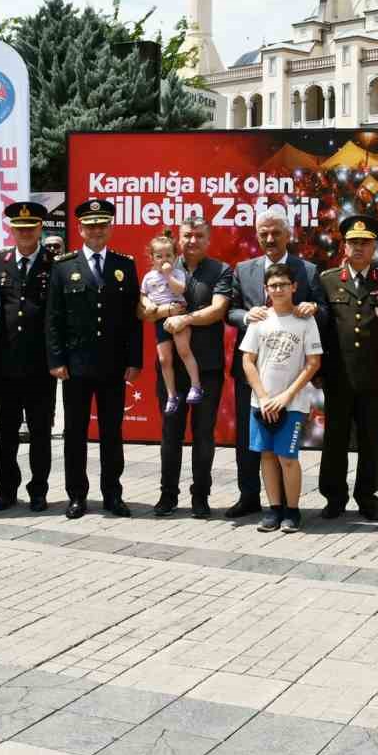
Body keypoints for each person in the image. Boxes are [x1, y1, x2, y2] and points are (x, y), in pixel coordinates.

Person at [46, 199, 142, 519]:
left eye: (103, 225)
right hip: (75, 366)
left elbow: (133, 319)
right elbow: (54, 318)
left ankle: (113, 494)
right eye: (91, 225)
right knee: (74, 432)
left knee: (112, 433)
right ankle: (77, 495)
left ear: (110, 228)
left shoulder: (124, 265)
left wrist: (134, 359)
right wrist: (56, 359)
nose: (97, 230)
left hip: (113, 365)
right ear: (80, 228)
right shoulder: (64, 266)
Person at [224, 207, 321, 519]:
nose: (269, 238)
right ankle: (249, 496)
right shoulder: (243, 269)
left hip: (290, 377)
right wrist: (245, 316)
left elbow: (325, 314)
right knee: (250, 441)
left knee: (283, 446)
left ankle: (286, 506)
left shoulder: (307, 270)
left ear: (288, 234)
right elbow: (231, 310)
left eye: (276, 232)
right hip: (253, 375)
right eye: (263, 233)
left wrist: (313, 307)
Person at [315, 214, 378, 522]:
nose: (359, 249)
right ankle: (334, 497)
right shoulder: (326, 280)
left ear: (375, 247)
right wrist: (318, 372)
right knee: (335, 441)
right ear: (344, 246)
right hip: (338, 378)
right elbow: (320, 332)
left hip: (372, 379)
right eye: (353, 243)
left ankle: (367, 498)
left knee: (369, 442)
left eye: (365, 244)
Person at [146, 216, 233, 518]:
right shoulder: (164, 263)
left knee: (203, 434)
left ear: (208, 240)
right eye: (187, 236)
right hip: (172, 370)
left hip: (206, 367)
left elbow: (218, 310)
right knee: (170, 432)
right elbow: (143, 308)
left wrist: (184, 319)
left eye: (199, 236)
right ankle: (167, 495)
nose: (192, 241)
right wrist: (162, 310)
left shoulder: (220, 270)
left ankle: (201, 496)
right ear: (177, 240)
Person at [241, 263, 323, 534]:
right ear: (266, 289)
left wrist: (287, 395)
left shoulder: (305, 320)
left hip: (293, 404)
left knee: (287, 457)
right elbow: (248, 361)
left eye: (283, 285)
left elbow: (313, 363)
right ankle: (274, 509)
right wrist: (263, 397)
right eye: (273, 286)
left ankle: (292, 511)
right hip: (261, 403)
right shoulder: (260, 319)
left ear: (294, 287)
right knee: (266, 455)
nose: (278, 290)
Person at [0, 202, 58, 512]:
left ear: (41, 228)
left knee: (41, 432)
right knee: (4, 432)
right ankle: (6, 489)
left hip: (41, 365)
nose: (25, 232)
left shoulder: (56, 263)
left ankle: (39, 490)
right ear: (11, 230)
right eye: (19, 227)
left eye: (31, 227)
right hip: (4, 364)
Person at [142, 233, 204, 415]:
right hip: (161, 319)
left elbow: (180, 289)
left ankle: (196, 386)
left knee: (183, 350)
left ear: (175, 257)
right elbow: (143, 295)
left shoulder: (177, 273)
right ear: (152, 258)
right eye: (159, 256)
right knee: (164, 359)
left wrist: (168, 275)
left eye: (168, 255)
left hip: (179, 317)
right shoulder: (149, 277)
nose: (164, 260)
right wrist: (149, 305)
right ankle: (171, 395)